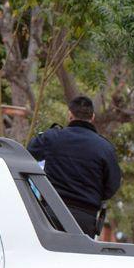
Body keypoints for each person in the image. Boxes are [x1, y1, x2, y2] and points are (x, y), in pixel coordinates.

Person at [28, 96, 122, 238]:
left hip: (52, 213)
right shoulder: (105, 148)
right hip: (85, 219)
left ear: (70, 115)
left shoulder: (53, 138)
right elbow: (112, 185)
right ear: (93, 117)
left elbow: (30, 151)